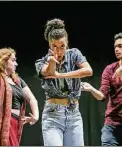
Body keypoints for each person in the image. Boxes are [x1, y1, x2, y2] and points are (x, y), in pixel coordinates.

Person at [35, 18, 93, 146]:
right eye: (54, 46)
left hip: (74, 114)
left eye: (62, 46)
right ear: (49, 45)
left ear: (67, 44)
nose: (58, 51)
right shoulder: (41, 62)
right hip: (53, 115)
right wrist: (51, 62)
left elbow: (88, 70)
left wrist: (61, 75)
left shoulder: (74, 54)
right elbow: (48, 72)